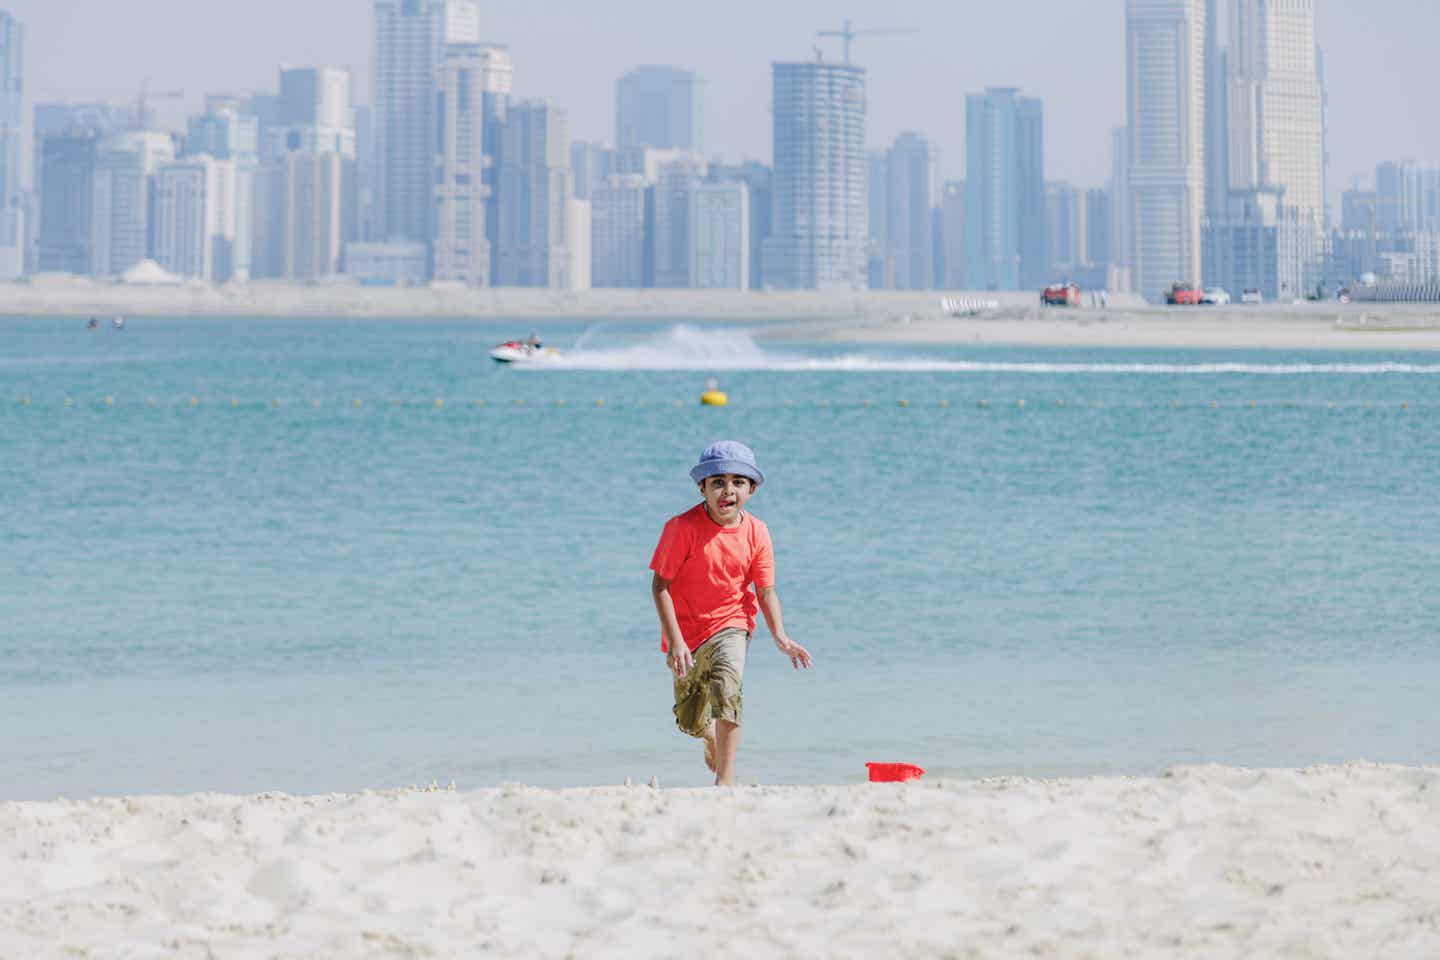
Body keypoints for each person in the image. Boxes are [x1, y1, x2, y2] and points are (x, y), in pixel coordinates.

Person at [649, 440, 812, 786]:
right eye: (717, 482)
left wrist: (781, 637)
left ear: (751, 489)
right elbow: (660, 587)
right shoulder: (681, 528)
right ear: (702, 488)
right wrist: (676, 642)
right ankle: (709, 737)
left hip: (732, 623)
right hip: (687, 633)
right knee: (690, 720)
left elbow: (766, 591)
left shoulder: (757, 532)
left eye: (738, 482)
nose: (728, 490)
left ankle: (724, 783)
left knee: (728, 690)